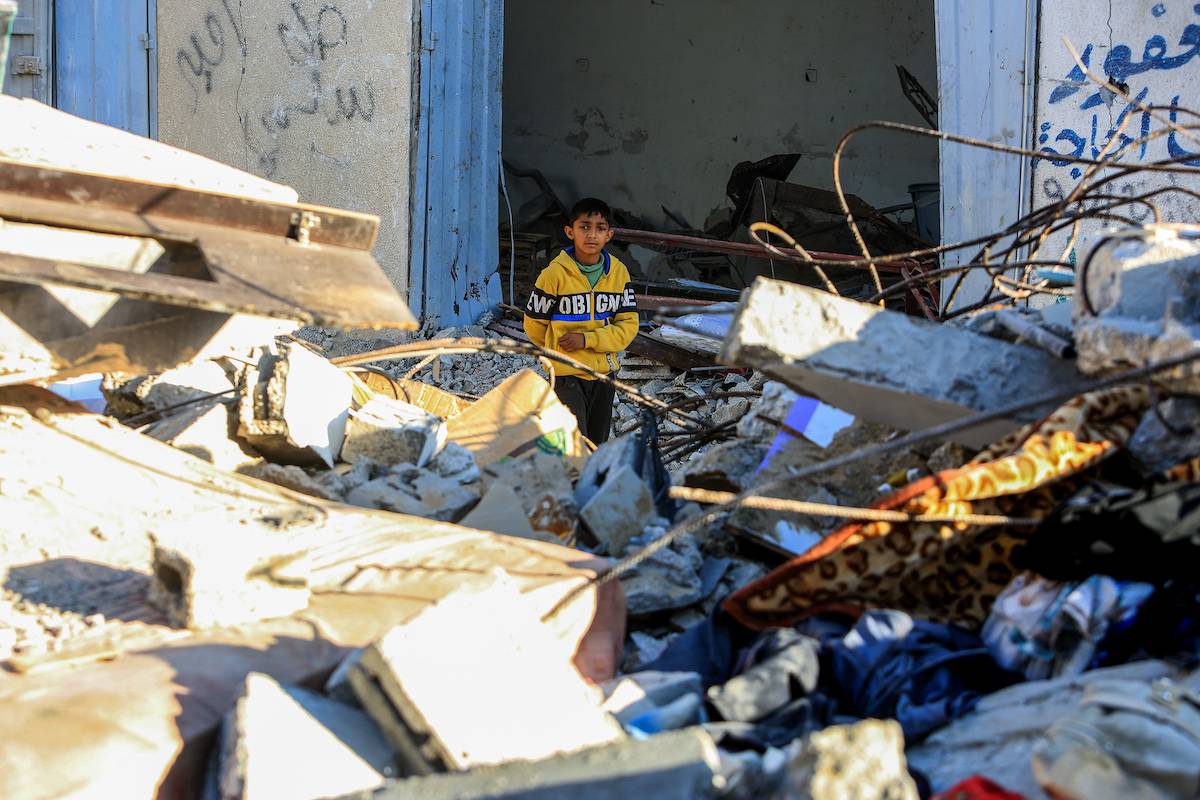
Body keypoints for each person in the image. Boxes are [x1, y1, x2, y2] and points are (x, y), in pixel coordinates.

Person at [523, 197, 639, 444]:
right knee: (574, 441)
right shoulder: (553, 275)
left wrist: (587, 340)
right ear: (569, 231)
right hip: (566, 375)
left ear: (609, 235)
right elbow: (534, 324)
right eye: (584, 227)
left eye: (600, 228)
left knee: (597, 442)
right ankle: (570, 481)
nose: (592, 235)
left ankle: (590, 481)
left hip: (604, 374)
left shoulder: (619, 273)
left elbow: (628, 325)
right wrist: (555, 352)